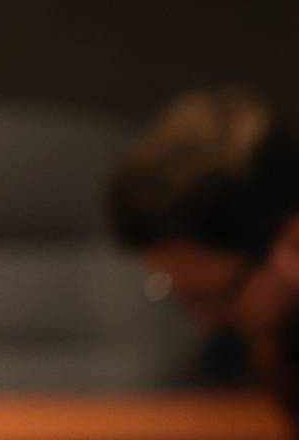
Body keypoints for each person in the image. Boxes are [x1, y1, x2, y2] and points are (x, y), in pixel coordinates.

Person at [108, 86, 299, 422]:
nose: (207, 323)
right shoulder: (277, 351)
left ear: (293, 243)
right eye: (179, 292)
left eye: (216, 296)